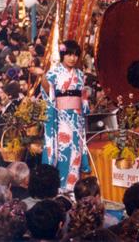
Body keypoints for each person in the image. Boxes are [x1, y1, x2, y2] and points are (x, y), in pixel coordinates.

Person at [33, 40, 90, 191]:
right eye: (69, 54)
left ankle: (73, 187)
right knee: (62, 150)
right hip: (61, 118)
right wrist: (43, 76)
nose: (73, 58)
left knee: (75, 151)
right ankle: (59, 188)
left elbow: (83, 96)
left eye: (76, 55)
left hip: (76, 118)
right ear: (63, 55)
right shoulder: (54, 72)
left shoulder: (80, 74)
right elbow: (48, 92)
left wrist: (84, 107)